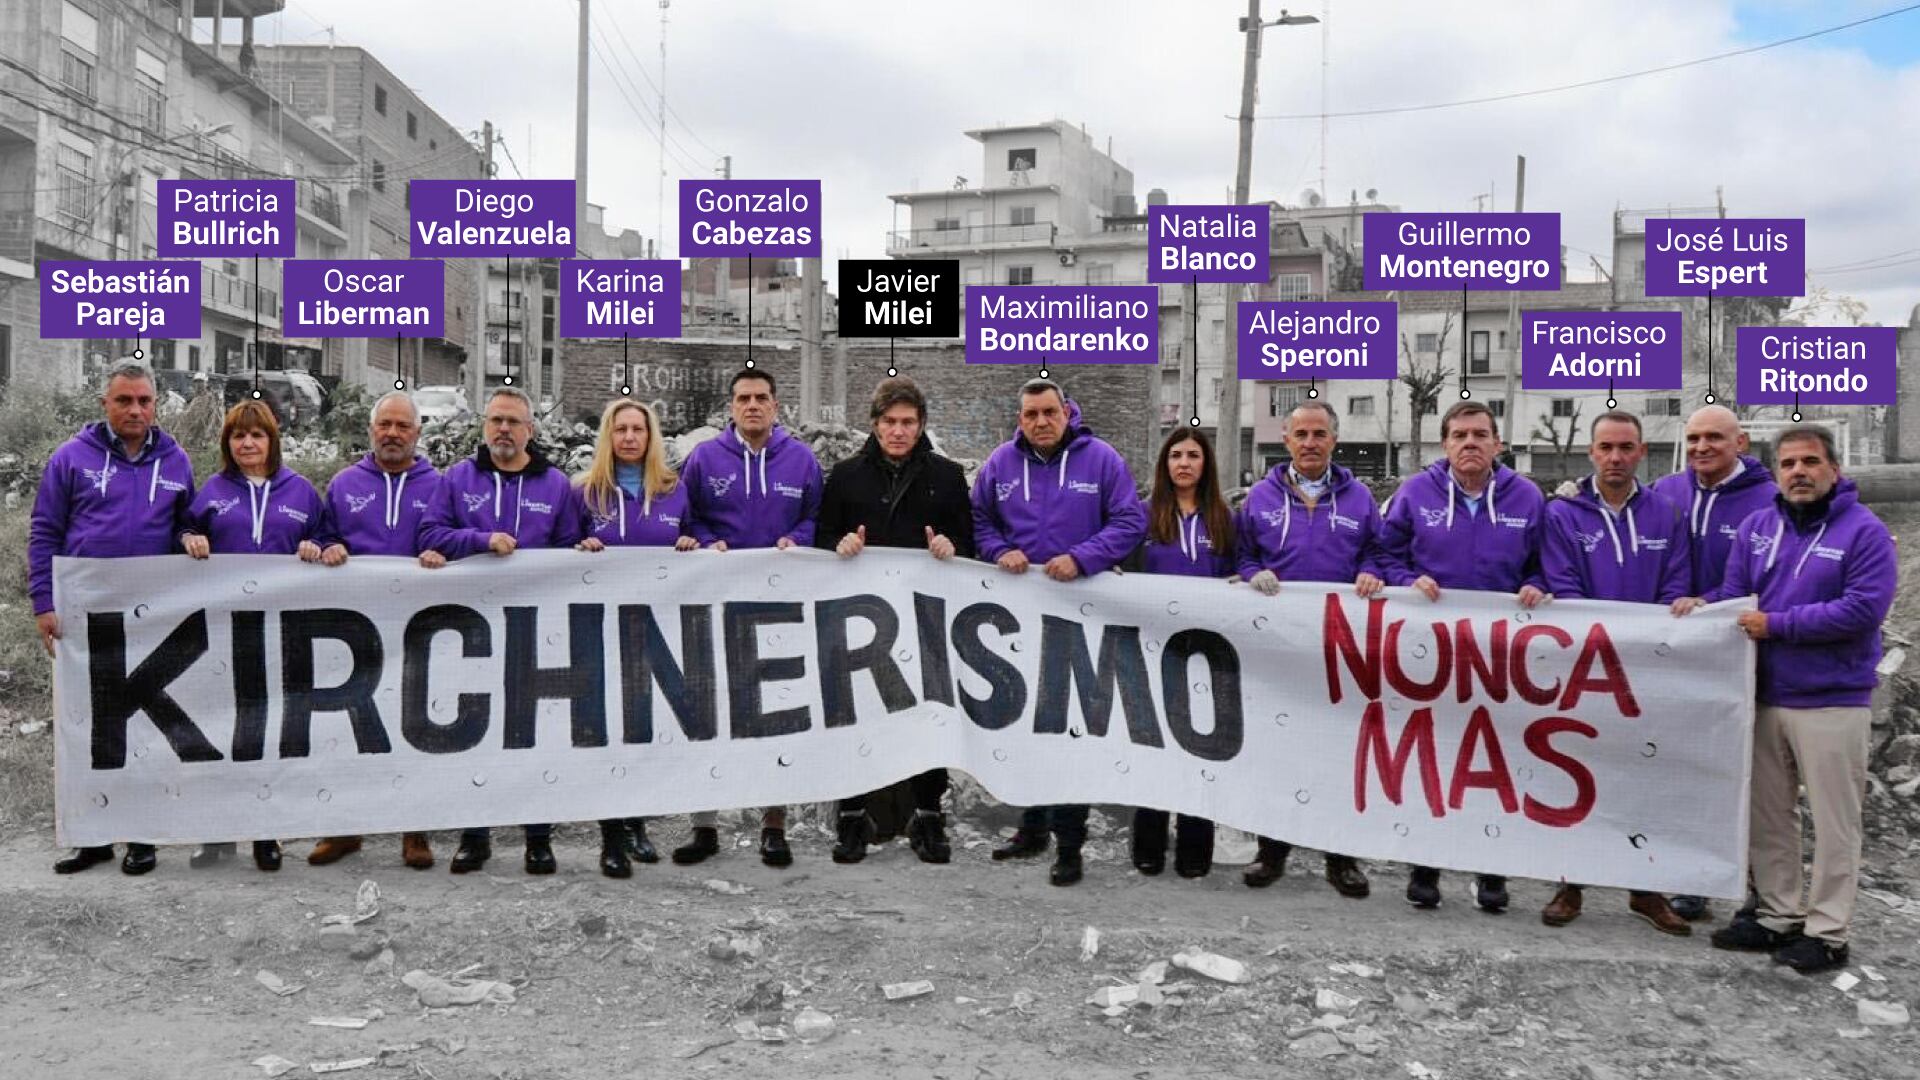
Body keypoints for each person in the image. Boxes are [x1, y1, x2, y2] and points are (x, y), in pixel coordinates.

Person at [1682, 426, 1898, 974]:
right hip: (1763, 695)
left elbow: (1862, 610)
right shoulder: (1758, 528)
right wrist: (1700, 608)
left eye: (1810, 462)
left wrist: (1777, 625)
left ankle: (1828, 931)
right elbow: (1735, 598)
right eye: (1788, 464)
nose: (1798, 472)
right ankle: (1777, 913)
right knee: (1769, 814)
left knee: (1834, 821)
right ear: (1776, 472)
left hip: (1832, 699)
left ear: (1834, 469)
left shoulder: (1864, 531)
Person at [972, 378, 1146, 886]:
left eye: (1049, 412)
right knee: (1027, 722)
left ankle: (1070, 844)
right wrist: (999, 550)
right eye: (1031, 414)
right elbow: (979, 519)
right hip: (1021, 616)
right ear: (1020, 419)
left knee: (1071, 728)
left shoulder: (1101, 460)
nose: (1041, 422)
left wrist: (1083, 558)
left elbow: (1129, 521)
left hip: (1082, 613)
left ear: (1067, 413)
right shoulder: (1001, 463)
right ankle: (1032, 828)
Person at [1378, 400, 1548, 913]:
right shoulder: (1414, 493)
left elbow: (1547, 564)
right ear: (1445, 444)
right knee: (1431, 759)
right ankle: (1425, 867)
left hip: (1502, 654)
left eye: (1479, 434)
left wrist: (1537, 584)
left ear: (1498, 443)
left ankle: (1490, 871)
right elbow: (1384, 555)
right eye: (1459, 435)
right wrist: (1407, 580)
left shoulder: (1528, 497)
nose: (1470, 443)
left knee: (1495, 763)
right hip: (1430, 651)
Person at [33, 360, 196, 876]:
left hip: (150, 616)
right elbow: (45, 531)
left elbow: (185, 527)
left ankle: (142, 836)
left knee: (143, 729)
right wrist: (43, 603)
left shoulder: (176, 461)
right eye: (124, 400)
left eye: (144, 401)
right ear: (105, 403)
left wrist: (191, 540)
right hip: (85, 616)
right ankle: (93, 837)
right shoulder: (70, 458)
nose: (135, 410)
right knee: (88, 726)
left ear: (156, 405)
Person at [1536, 411, 1693, 936]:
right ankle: (1570, 883)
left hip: (1646, 668)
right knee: (1576, 775)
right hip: (1583, 667)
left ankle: (1645, 889)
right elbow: (1563, 584)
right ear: (1591, 452)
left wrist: (1650, 641)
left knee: (1640, 777)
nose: (1616, 457)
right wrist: (1601, 642)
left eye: (1626, 447)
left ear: (1641, 452)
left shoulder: (1667, 514)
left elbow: (1677, 585)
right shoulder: (1563, 514)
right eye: (1606, 447)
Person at [419, 386, 583, 874]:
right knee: (477, 732)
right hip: (473, 629)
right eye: (496, 421)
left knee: (536, 734)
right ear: (484, 426)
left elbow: (570, 550)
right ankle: (475, 836)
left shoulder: (556, 485)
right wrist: (479, 540)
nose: (504, 430)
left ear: (530, 430)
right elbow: (429, 534)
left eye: (513, 422)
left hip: (535, 629)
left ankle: (538, 836)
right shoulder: (457, 478)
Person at [818, 376, 975, 866]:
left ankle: (927, 817)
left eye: (908, 422)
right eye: (890, 421)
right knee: (857, 714)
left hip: (925, 619)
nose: (899, 431)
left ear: (922, 425)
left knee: (927, 716)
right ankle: (852, 817)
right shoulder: (845, 476)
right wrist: (840, 545)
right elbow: (820, 541)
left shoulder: (948, 477)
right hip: (861, 623)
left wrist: (950, 547)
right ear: (874, 424)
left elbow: (970, 545)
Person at [180, 399, 342, 872]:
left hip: (277, 634)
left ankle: (265, 833)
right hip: (221, 631)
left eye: (257, 435)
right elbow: (183, 531)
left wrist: (319, 546)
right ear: (227, 443)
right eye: (238, 435)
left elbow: (329, 538)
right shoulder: (212, 491)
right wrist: (188, 539)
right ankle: (215, 835)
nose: (247, 443)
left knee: (264, 734)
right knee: (217, 731)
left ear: (272, 441)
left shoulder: (301, 492)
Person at [672, 368, 822, 868]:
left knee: (776, 711)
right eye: (743, 398)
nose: (752, 405)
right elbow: (687, 515)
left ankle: (773, 825)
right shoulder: (704, 458)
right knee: (708, 709)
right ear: (730, 408)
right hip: (716, 601)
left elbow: (816, 517)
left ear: (776, 406)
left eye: (761, 398)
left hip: (780, 605)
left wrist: (796, 541)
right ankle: (704, 825)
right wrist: (704, 540)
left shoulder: (801, 460)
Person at [1233, 401, 1381, 899]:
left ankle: (1341, 858)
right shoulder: (1259, 497)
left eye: (1320, 434)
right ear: (1287, 440)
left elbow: (1378, 552)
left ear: (1334, 440)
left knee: (1338, 754)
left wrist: (1372, 571)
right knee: (1276, 753)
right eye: (1302, 434)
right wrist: (1253, 572)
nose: (1311, 443)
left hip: (1340, 648)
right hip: (1278, 648)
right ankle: (1271, 852)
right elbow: (1243, 555)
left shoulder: (1360, 498)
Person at [306, 391, 447, 871]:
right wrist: (328, 546)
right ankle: (345, 829)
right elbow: (322, 534)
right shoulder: (345, 484)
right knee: (349, 729)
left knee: (414, 726)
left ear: (417, 434)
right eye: (384, 425)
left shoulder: (439, 486)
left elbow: (449, 535)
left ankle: (415, 830)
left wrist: (442, 552)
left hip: (417, 629)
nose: (392, 434)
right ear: (371, 430)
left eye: (402, 426)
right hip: (355, 630)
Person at [1649, 404, 1779, 922]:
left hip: (1743, 654)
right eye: (1694, 438)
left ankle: (1758, 889)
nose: (1702, 447)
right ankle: (1692, 881)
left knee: (1748, 777)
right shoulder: (1666, 492)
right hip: (1680, 655)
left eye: (1714, 438)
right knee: (1686, 770)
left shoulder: (1769, 500)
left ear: (1740, 443)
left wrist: (1715, 606)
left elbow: (1771, 575)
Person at [574, 398, 699, 877]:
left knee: (644, 731)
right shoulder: (584, 492)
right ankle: (611, 836)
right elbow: (558, 550)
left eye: (638, 430)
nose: (629, 437)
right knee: (608, 734)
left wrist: (690, 544)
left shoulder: (674, 491)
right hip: (599, 633)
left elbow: (697, 538)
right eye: (621, 429)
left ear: (651, 437)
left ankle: (638, 825)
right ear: (609, 435)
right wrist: (578, 547)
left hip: (655, 634)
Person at [1127, 428, 1233, 880]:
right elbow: (1120, 570)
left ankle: (1194, 847)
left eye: (1193, 455)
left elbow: (1240, 570)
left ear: (1206, 463)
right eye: (1175, 455)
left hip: (1209, 654)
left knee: (1201, 752)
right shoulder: (1141, 515)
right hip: (1154, 651)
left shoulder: (1224, 518)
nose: (1184, 463)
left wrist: (1248, 580)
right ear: (1164, 464)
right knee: (1154, 748)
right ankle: (1148, 845)